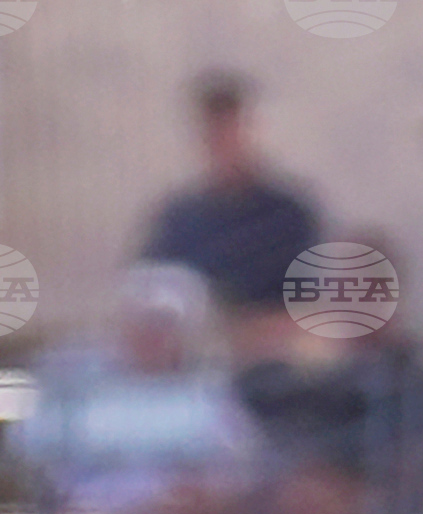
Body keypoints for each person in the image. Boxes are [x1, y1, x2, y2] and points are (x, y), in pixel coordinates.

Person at [136, 69, 321, 336]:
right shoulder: (178, 219)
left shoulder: (289, 216)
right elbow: (147, 301)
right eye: (214, 131)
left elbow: (307, 314)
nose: (223, 142)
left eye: (231, 128)